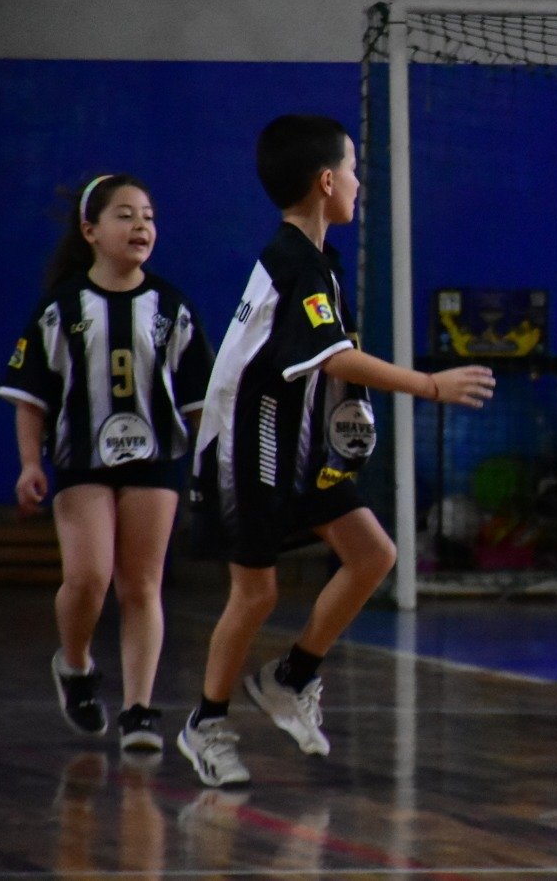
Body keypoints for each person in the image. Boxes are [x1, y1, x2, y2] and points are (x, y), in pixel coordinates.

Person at [177, 114, 495, 788]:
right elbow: (339, 355)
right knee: (255, 591)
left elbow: (325, 366)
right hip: (248, 442)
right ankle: (205, 723)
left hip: (294, 437)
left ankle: (292, 677)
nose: (359, 182)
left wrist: (349, 424)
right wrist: (431, 385)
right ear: (327, 182)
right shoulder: (295, 261)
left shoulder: (316, 258)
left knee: (373, 552)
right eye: (352, 169)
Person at [0, 174, 214, 753]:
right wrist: (28, 464)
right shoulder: (62, 308)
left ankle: (140, 711)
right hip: (81, 458)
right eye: (125, 215)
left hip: (157, 458)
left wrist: (213, 468)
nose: (141, 225)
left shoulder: (171, 307)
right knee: (89, 579)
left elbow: (198, 401)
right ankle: (75, 665)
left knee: (141, 584)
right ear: (90, 231)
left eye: (147, 215)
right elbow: (29, 395)